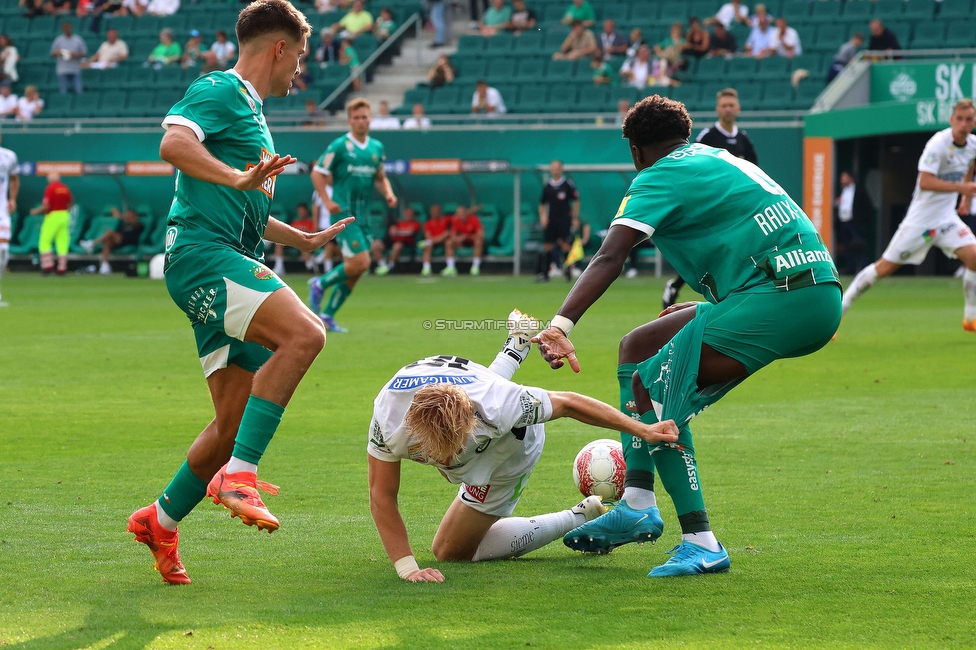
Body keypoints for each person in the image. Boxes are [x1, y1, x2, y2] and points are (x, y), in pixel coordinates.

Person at [533, 95, 842, 577]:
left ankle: (702, 540)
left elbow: (610, 257)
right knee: (637, 348)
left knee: (652, 386)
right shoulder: (714, 156)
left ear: (636, 151)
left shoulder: (658, 174)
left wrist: (559, 325)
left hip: (781, 297)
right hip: (799, 287)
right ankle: (635, 502)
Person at [126, 0, 353, 586]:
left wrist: (298, 238)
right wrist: (234, 176)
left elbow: (243, 199)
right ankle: (239, 474)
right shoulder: (220, 89)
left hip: (218, 256)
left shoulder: (251, 111)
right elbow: (174, 144)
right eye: (299, 57)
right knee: (306, 334)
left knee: (230, 422)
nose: (299, 70)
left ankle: (161, 519)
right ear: (278, 48)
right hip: (203, 258)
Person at [368, 310, 680, 582]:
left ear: (472, 422)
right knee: (490, 396)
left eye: (456, 448)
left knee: (450, 551)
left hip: (510, 450)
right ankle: (516, 346)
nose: (446, 460)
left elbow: (569, 402)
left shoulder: (499, 407)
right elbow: (381, 494)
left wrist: (643, 429)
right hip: (467, 385)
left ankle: (580, 515)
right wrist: (407, 567)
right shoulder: (387, 417)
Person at [842, 99, 976, 332]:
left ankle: (970, 317)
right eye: (960, 119)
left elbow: (969, 167)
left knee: (974, 256)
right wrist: (961, 190)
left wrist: (965, 199)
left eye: (969, 120)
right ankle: (838, 311)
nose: (964, 124)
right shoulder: (938, 144)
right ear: (951, 120)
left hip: (946, 220)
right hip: (921, 222)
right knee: (884, 268)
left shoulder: (973, 144)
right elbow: (925, 181)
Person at [307, 98, 397, 333]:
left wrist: (388, 193)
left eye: (364, 117)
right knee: (362, 261)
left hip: (363, 216)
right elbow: (317, 173)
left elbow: (380, 177)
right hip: (344, 214)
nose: (360, 121)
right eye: (356, 117)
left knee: (356, 269)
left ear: (370, 119)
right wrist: (327, 202)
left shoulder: (376, 148)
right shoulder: (339, 145)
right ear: (349, 121)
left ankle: (327, 316)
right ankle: (319, 283)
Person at [663, 88, 759, 307]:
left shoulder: (744, 140)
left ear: (738, 108)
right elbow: (691, 166)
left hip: (736, 208)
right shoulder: (708, 137)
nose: (728, 109)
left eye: (731, 105)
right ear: (717, 109)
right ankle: (684, 285)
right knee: (712, 250)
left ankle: (685, 287)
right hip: (712, 206)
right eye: (724, 105)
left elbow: (755, 172)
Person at [536, 159, 579, 282]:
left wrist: (574, 217)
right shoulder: (548, 186)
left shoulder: (567, 184)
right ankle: (545, 274)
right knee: (548, 246)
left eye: (557, 167)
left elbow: (576, 201)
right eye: (553, 167)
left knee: (565, 245)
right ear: (550, 170)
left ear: (561, 169)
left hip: (564, 219)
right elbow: (542, 203)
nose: (555, 169)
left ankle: (568, 273)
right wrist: (543, 216)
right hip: (551, 220)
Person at [31, 172, 73, 275]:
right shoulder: (65, 188)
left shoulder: (50, 188)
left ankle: (47, 266)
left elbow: (46, 206)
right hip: (65, 215)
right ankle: (62, 267)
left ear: (50, 179)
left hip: (53, 215)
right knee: (62, 242)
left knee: (45, 241)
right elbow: (71, 202)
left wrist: (36, 211)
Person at [80, 207, 144, 274]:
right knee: (108, 243)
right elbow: (118, 232)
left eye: (130, 215)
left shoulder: (139, 224)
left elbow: (134, 224)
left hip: (129, 241)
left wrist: (121, 216)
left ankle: (92, 244)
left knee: (109, 233)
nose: (128, 216)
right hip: (119, 240)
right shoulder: (123, 224)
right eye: (127, 214)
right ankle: (105, 265)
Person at [833, 171, 873, 275]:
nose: (842, 179)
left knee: (859, 246)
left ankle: (864, 268)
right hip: (843, 223)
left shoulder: (859, 190)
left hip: (854, 224)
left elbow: (867, 206)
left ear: (851, 178)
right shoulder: (840, 190)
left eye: (844, 177)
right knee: (846, 247)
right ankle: (849, 269)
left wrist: (862, 222)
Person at [375, 206, 421, 274]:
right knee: (375, 244)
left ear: (413, 215)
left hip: (406, 243)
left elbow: (410, 232)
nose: (408, 215)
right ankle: (383, 265)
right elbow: (392, 231)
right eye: (406, 213)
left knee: (397, 245)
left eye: (410, 214)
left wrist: (398, 231)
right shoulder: (398, 222)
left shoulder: (416, 223)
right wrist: (400, 231)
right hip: (391, 241)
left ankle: (390, 267)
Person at [442, 204, 484, 275]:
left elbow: (480, 235)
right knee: (449, 242)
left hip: (472, 241)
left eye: (463, 212)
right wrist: (458, 239)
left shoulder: (474, 219)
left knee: (478, 242)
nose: (461, 215)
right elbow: (453, 235)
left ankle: (475, 267)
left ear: (466, 212)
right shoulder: (456, 220)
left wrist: (467, 236)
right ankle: (451, 267)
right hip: (462, 243)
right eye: (459, 213)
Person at [0, 134, 17, 306]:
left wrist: (12, 198)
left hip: (2, 211)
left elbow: (14, 179)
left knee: (3, 249)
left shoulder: (9, 156)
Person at [51, 21, 87, 95]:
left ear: (71, 28)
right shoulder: (59, 40)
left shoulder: (78, 39)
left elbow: (84, 53)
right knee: (63, 92)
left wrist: (76, 54)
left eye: (68, 28)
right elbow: (52, 54)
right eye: (65, 28)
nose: (67, 29)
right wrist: (57, 52)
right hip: (62, 69)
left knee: (79, 90)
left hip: (75, 69)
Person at [421, 203, 450, 275]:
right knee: (428, 245)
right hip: (432, 241)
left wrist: (439, 239)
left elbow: (460, 216)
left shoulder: (446, 220)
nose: (436, 212)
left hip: (443, 240)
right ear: (431, 212)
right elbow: (428, 236)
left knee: (449, 242)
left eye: (437, 211)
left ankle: (450, 267)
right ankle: (426, 268)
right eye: (434, 211)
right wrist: (434, 240)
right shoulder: (428, 223)